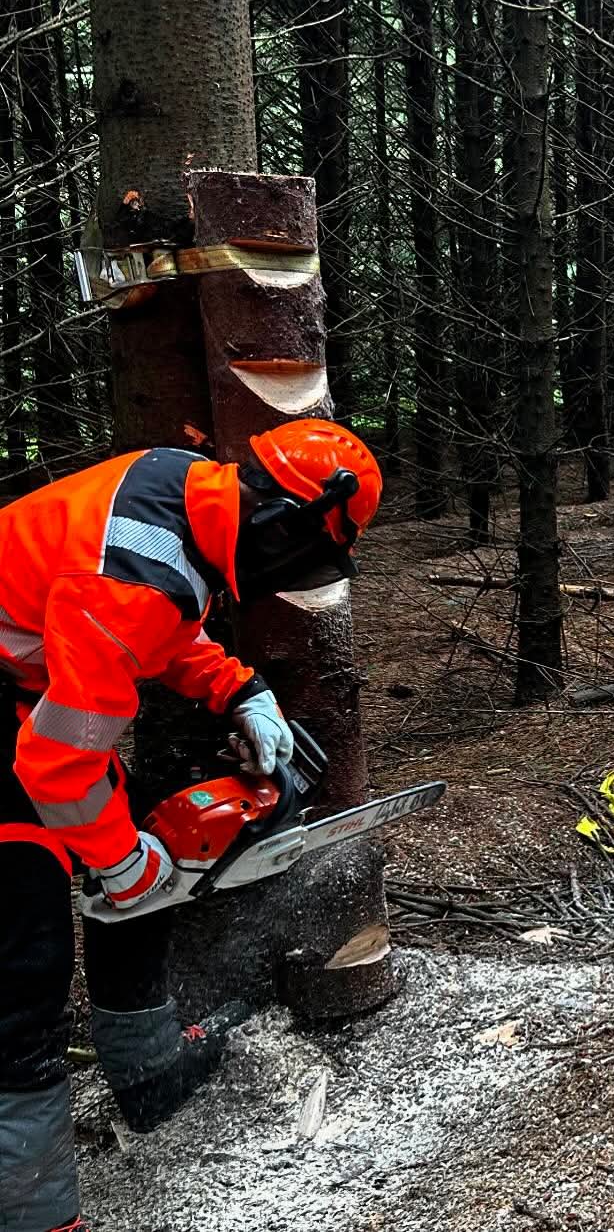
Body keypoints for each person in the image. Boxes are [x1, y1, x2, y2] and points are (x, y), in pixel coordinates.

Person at [0, 418, 382, 1232]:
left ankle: (147, 1073)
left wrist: (238, 687)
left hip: (28, 691)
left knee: (136, 860)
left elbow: (158, 622)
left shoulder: (184, 489)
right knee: (25, 952)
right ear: (285, 523)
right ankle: (34, 1212)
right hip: (25, 717)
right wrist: (122, 864)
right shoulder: (131, 577)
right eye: (309, 559)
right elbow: (58, 762)